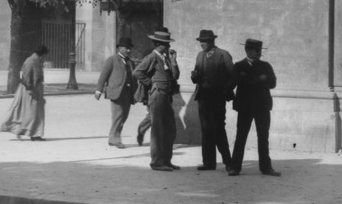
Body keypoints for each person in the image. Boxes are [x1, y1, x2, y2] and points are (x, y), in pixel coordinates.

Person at [230, 38, 280, 176]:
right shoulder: (238, 66)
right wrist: (259, 79)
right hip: (245, 107)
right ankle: (235, 167)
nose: (258, 53)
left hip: (262, 107)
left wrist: (249, 79)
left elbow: (273, 83)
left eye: (259, 50)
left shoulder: (266, 65)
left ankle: (266, 168)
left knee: (263, 137)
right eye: (255, 50)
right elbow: (233, 83)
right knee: (241, 137)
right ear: (247, 50)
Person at [134, 28, 181, 172]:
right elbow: (137, 72)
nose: (169, 47)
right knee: (158, 130)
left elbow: (175, 76)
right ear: (159, 44)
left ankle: (166, 160)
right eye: (166, 44)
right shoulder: (152, 57)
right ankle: (157, 162)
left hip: (166, 96)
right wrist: (151, 84)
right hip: (158, 95)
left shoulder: (165, 58)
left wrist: (173, 62)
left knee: (170, 129)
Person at [190, 28, 236, 172]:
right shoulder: (199, 56)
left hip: (217, 99)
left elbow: (233, 76)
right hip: (203, 98)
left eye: (204, 42)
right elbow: (196, 77)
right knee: (206, 130)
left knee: (218, 130)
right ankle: (209, 162)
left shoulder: (223, 55)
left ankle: (229, 163)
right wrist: (194, 76)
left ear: (212, 41)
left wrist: (225, 91)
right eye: (200, 42)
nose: (201, 44)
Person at [95, 36, 138, 148]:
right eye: (126, 48)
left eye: (129, 48)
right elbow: (103, 75)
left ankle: (112, 137)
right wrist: (98, 90)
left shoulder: (131, 62)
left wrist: (136, 93)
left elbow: (134, 78)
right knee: (117, 116)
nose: (128, 50)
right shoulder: (112, 60)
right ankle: (115, 139)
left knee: (124, 116)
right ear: (119, 48)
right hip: (116, 93)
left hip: (128, 94)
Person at [1, 46, 48, 141]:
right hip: (29, 89)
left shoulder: (36, 61)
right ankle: (33, 134)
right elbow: (26, 75)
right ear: (42, 54)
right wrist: (30, 89)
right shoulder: (31, 61)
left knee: (34, 112)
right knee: (33, 112)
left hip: (35, 89)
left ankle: (30, 132)